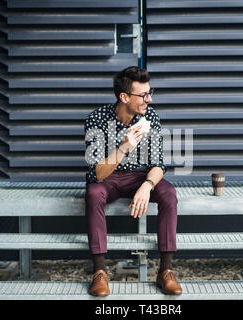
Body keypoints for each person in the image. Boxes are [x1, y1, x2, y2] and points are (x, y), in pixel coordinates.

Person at [83, 66, 182, 297]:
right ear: (124, 97)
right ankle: (99, 272)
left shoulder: (151, 117)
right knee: (93, 194)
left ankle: (166, 270)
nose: (150, 99)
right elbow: (97, 173)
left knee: (168, 194)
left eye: (150, 92)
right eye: (143, 95)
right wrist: (125, 145)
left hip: (141, 176)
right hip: (108, 178)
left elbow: (159, 164)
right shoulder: (96, 119)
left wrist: (147, 186)